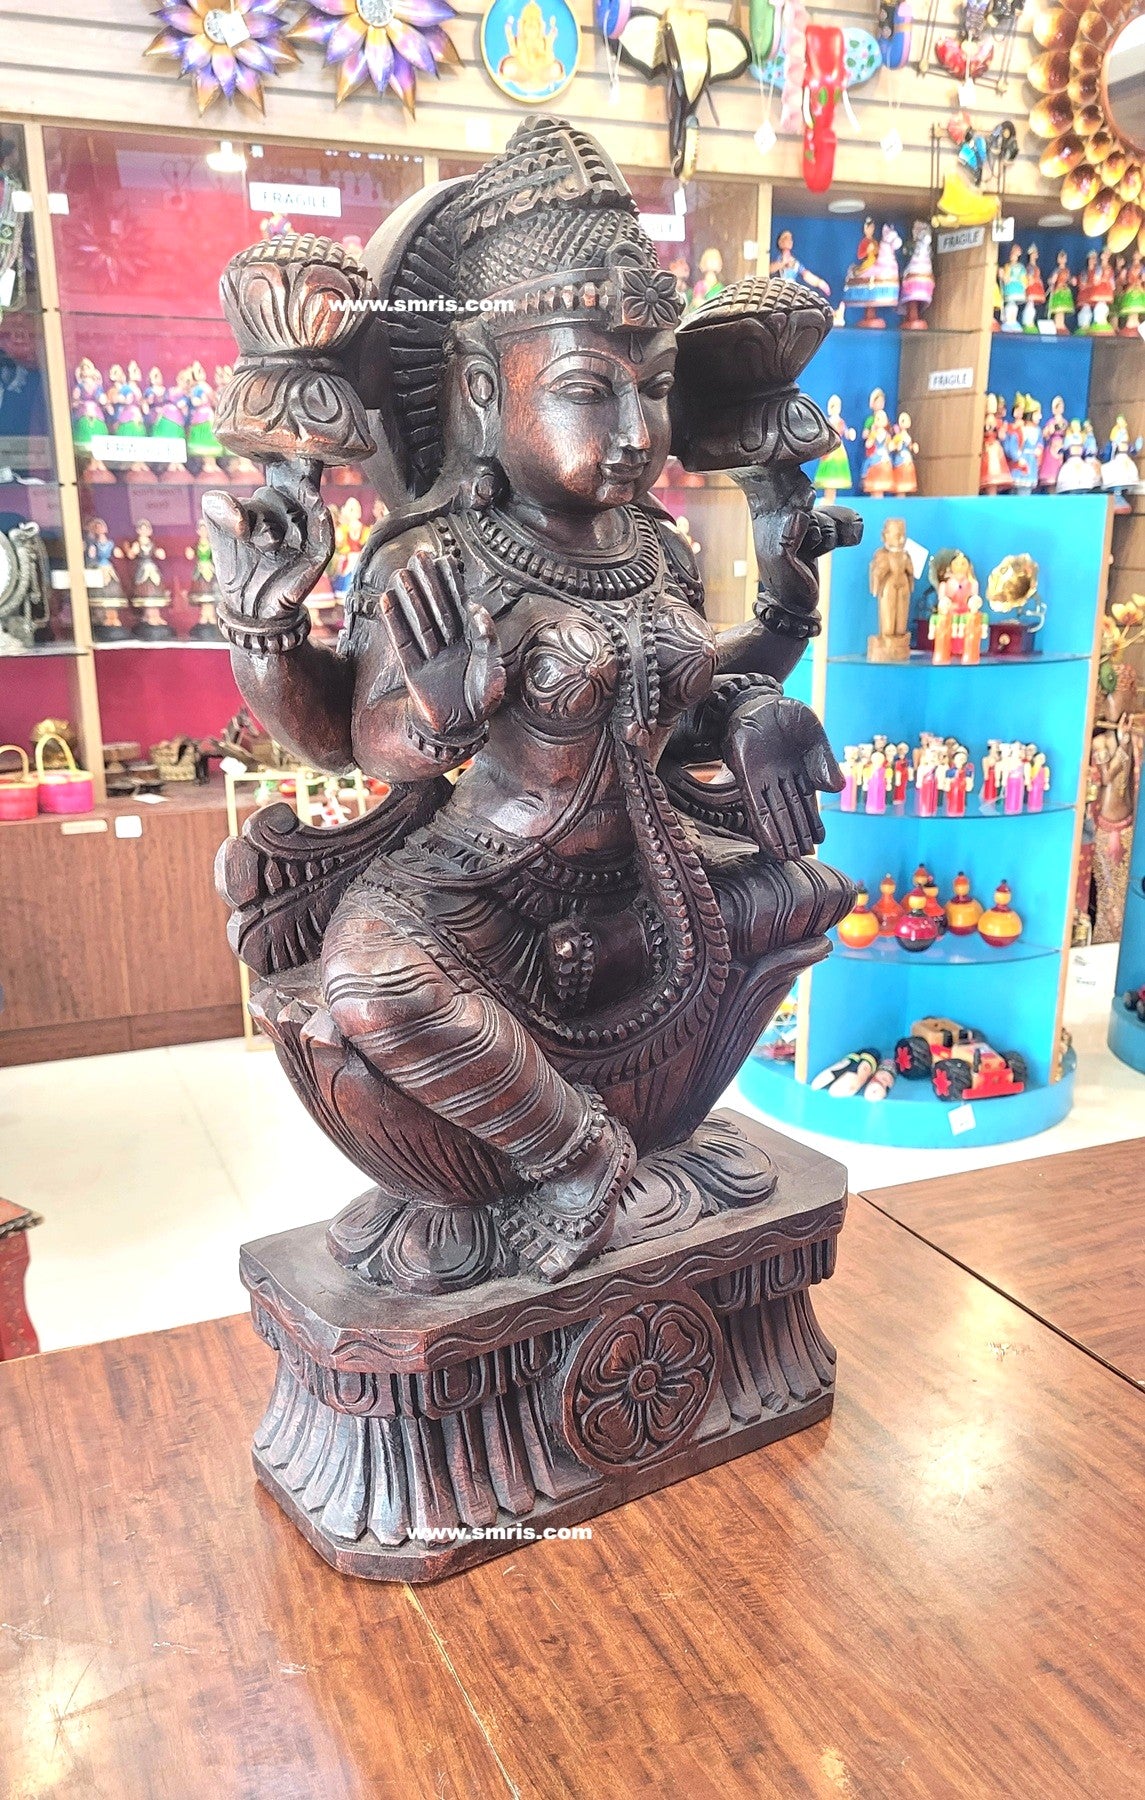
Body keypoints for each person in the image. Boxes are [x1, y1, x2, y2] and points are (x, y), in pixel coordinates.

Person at [206, 117, 854, 1292]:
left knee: (804, 887)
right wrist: (429, 712)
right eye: (585, 392)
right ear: (477, 388)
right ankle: (573, 1155)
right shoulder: (439, 555)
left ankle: (650, 1139)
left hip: (643, 867)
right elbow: (359, 742)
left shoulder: (652, 548)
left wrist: (770, 659)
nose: (636, 433)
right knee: (369, 976)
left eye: (653, 390)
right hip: (479, 882)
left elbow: (685, 697)